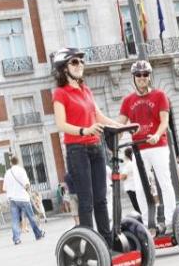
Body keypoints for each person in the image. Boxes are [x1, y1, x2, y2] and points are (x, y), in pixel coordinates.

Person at [52, 47, 122, 244]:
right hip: (77, 150)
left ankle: (107, 243)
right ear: (64, 69)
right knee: (86, 201)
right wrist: (85, 130)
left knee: (101, 198)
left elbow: (99, 116)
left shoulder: (86, 90)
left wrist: (122, 126)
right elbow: (61, 124)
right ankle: (90, 244)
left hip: (95, 148)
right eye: (74, 62)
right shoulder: (60, 93)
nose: (80, 65)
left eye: (81, 62)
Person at [117, 60, 177, 231]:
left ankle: (170, 220)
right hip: (139, 148)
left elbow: (165, 121)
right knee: (141, 187)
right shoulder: (128, 100)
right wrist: (112, 135)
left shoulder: (159, 96)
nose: (142, 78)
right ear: (134, 78)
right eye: (138, 75)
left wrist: (157, 135)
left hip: (158, 145)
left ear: (149, 77)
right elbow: (120, 123)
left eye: (145, 74)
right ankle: (146, 223)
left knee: (164, 182)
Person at [3, 156, 45, 245]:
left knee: (15, 219)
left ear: (11, 162)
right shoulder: (21, 170)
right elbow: (27, 184)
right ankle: (38, 234)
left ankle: (16, 239)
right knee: (31, 216)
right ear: (18, 162)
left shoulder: (7, 172)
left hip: (12, 199)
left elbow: (4, 188)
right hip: (23, 197)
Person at [121, 148, 140, 213]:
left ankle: (140, 217)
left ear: (126, 155)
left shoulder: (128, 164)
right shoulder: (133, 163)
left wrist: (118, 176)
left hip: (130, 187)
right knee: (138, 203)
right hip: (135, 186)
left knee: (136, 205)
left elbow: (123, 177)